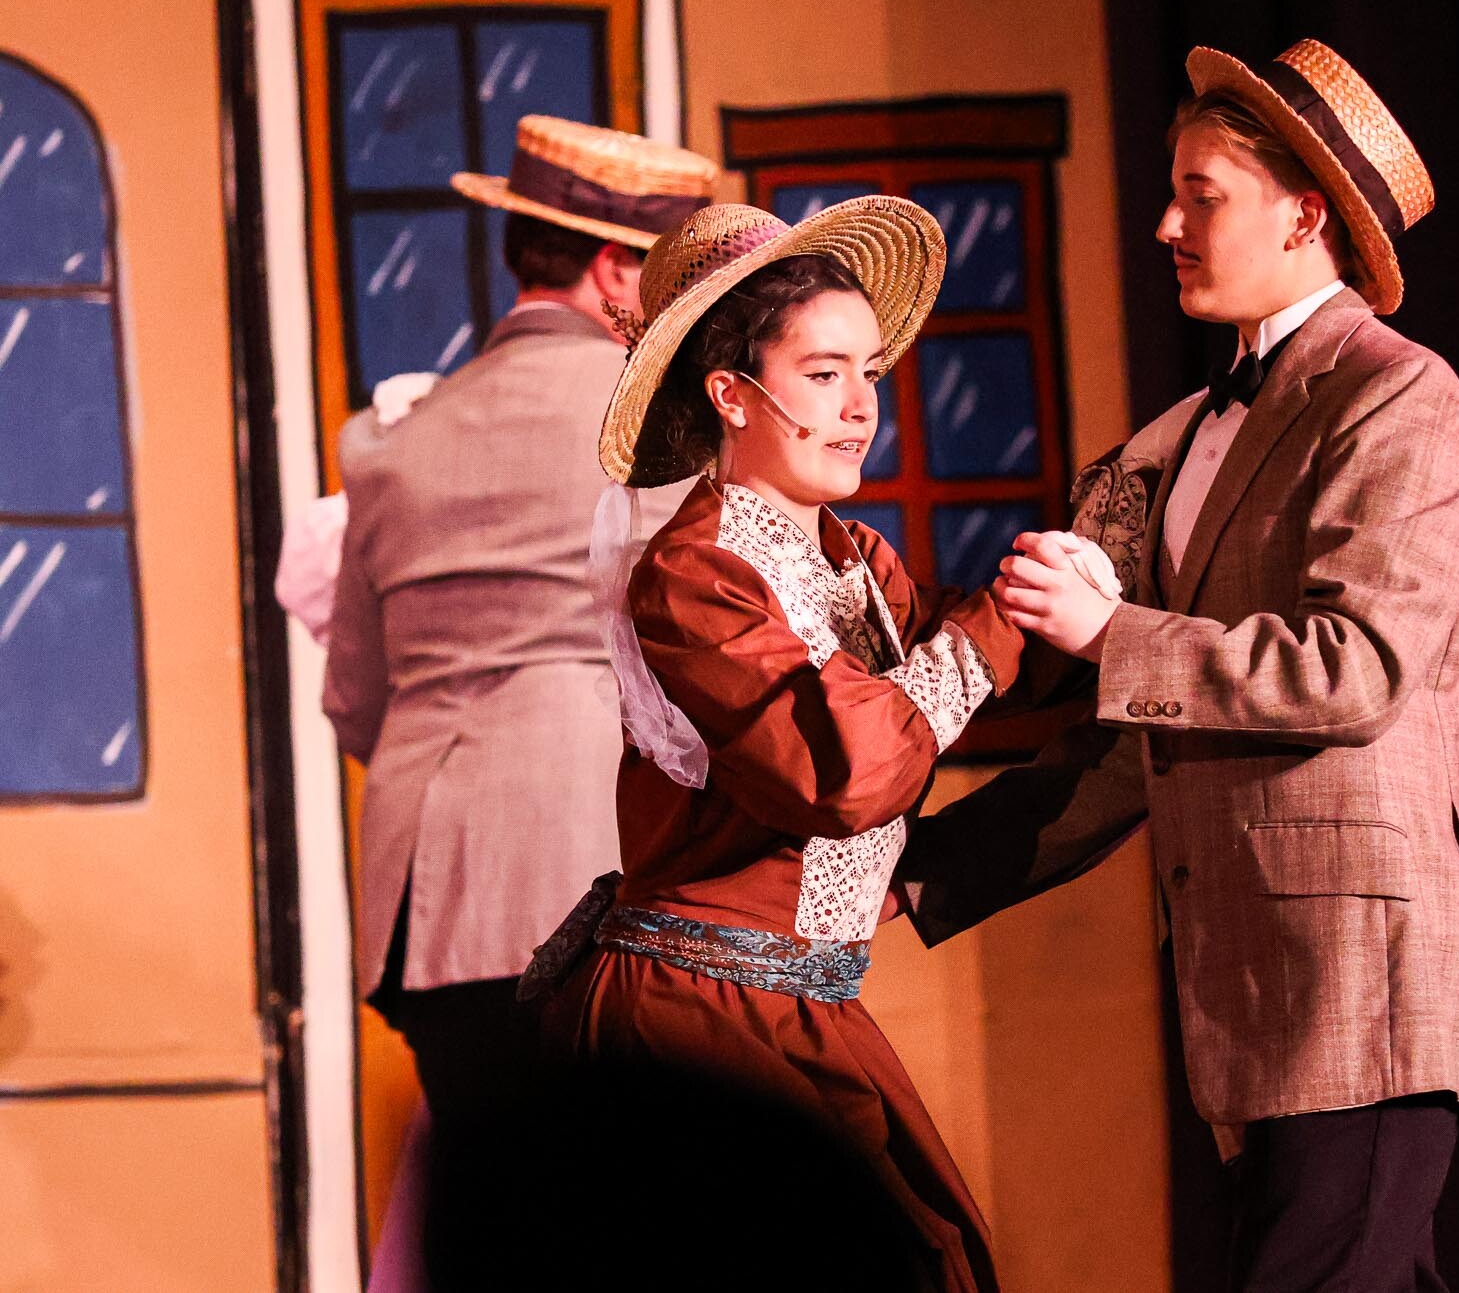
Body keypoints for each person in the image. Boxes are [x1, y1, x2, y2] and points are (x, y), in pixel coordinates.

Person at [901, 41, 1459, 1293]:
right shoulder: (1186, 433)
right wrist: (909, 871)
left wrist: (1107, 632)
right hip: (1252, 994)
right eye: (1172, 193)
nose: (1165, 225)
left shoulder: (1399, 398)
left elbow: (1355, 668)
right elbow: (1144, 730)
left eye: (1201, 196)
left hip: (1360, 985)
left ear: (1304, 216)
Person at [522, 198, 1029, 1293]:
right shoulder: (695, 574)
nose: (860, 407)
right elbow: (844, 774)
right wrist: (995, 634)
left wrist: (1088, 589)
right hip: (698, 1015)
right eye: (823, 374)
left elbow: (969, 671)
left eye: (869, 373)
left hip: (801, 1004)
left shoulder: (856, 560)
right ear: (731, 394)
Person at [320, 115, 717, 1272]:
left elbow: (355, 696)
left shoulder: (393, 440)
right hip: (584, 868)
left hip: (423, 896)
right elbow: (706, 661)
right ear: (613, 270)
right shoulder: (660, 424)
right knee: (623, 1235)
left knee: (501, 1239)